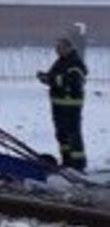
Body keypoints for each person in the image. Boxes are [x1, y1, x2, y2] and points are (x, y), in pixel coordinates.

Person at [37, 37, 88, 170]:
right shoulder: (59, 62)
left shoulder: (75, 63)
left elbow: (73, 82)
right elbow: (54, 77)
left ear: (68, 48)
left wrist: (52, 79)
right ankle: (67, 161)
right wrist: (45, 78)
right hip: (58, 106)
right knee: (61, 134)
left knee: (73, 134)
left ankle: (78, 164)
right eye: (56, 48)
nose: (57, 51)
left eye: (60, 48)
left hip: (71, 106)